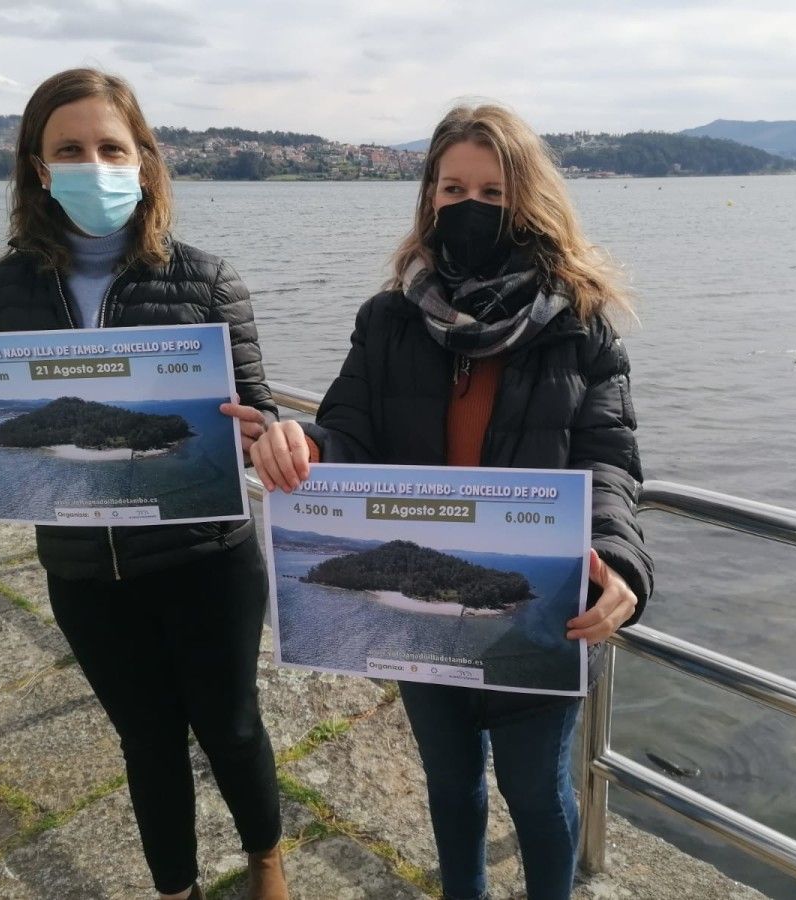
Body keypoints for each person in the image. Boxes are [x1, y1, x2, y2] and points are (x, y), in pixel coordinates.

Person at [0, 69, 288, 900]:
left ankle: (267, 862)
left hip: (205, 559)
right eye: (69, 149)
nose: (92, 164)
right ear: (39, 168)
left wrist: (269, 439)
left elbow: (255, 421)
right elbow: (4, 437)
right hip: (82, 566)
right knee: (144, 743)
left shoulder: (209, 280)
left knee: (234, 727)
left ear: (143, 160)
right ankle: (173, 888)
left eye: (111, 147)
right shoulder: (7, 286)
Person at [249, 103, 653, 900]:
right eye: (453, 188)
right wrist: (301, 444)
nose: (470, 207)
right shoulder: (389, 319)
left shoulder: (581, 326)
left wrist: (624, 562)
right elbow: (347, 430)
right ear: (429, 196)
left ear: (529, 201)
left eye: (494, 193)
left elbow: (609, 461)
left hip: (546, 617)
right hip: (422, 630)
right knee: (449, 784)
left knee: (539, 794)